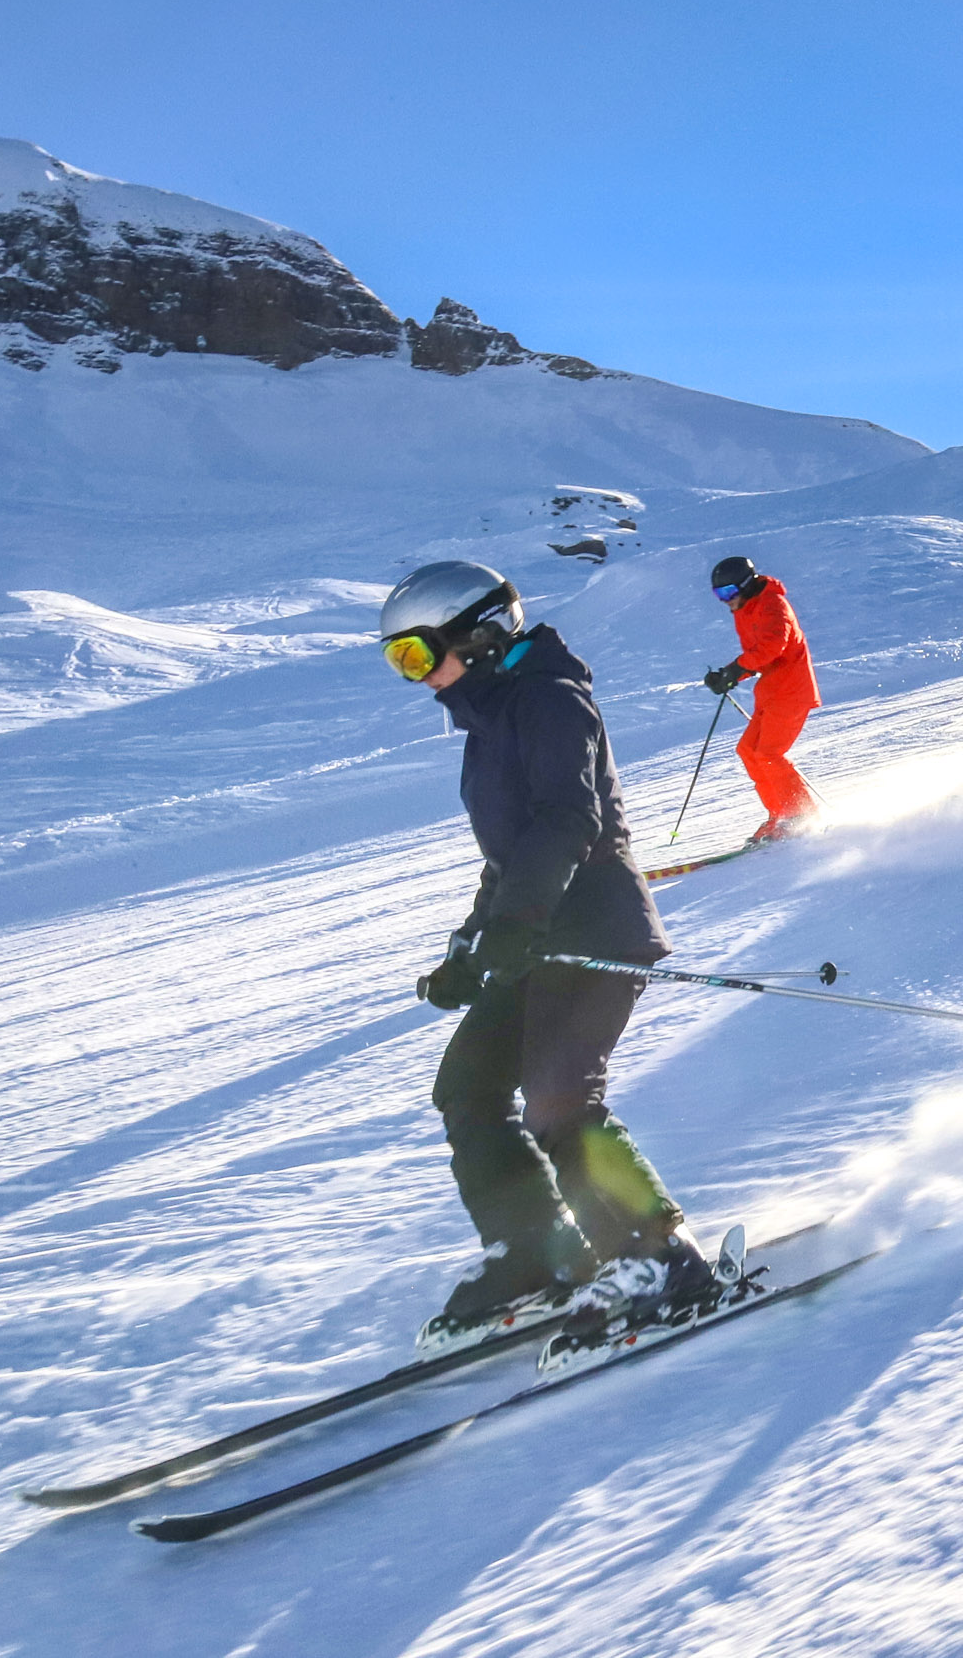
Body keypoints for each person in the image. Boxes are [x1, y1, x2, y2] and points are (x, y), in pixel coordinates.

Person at [378, 560, 713, 1354]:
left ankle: (658, 1254)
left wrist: (519, 919)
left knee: (560, 1099)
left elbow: (568, 818)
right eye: (398, 662)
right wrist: (471, 945)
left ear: (479, 636)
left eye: (417, 655)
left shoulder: (551, 699)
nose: (415, 677)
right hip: (533, 935)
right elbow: (508, 855)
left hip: (594, 927)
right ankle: (535, 1252)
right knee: (468, 1086)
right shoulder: (490, 722)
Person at [702, 554, 822, 842]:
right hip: (771, 692)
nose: (725, 601)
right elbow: (759, 656)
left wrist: (736, 668)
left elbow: (773, 645)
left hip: (791, 692)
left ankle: (802, 814)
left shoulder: (773, 604)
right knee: (748, 750)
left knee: (768, 754)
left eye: (728, 592)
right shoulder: (746, 609)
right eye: (719, 595)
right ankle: (780, 814)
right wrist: (729, 676)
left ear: (745, 585)